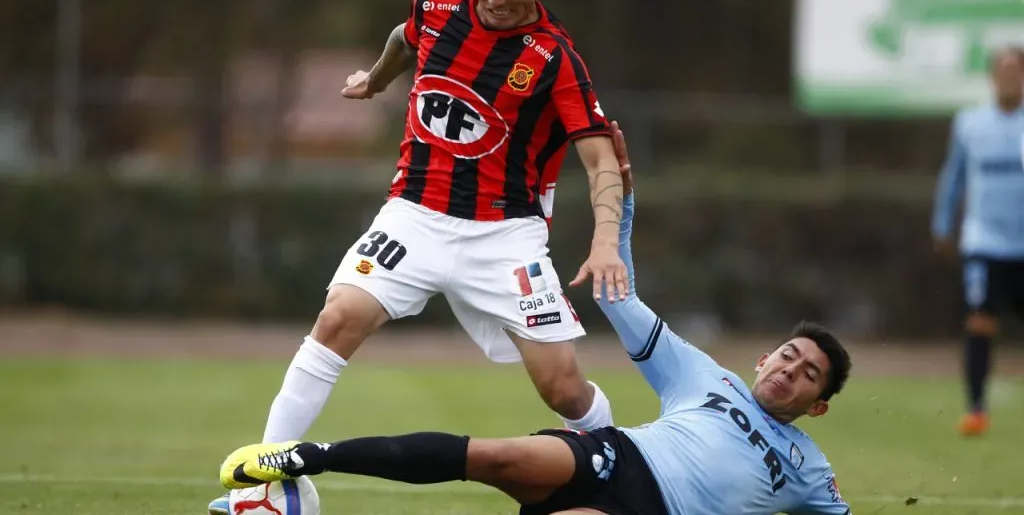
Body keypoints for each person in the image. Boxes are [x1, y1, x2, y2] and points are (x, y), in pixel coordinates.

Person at [219, 128, 855, 515]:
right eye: (787, 357)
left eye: (807, 376)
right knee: (495, 458)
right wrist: (621, 212)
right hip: (617, 457)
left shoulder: (809, 471)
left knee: (555, 404)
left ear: (818, 405)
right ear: (763, 359)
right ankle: (308, 458)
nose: (789, 373)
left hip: (646, 511)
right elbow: (618, 300)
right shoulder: (705, 379)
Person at [208, 0, 628, 512]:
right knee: (337, 318)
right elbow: (404, 39)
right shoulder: (437, 6)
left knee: (562, 388)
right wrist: (376, 81)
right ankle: (269, 489)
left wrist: (606, 244)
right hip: (414, 215)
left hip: (505, 235)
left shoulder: (554, 58)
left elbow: (601, 158)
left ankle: (622, 473)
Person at [932, 45, 1024, 437]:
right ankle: (976, 409)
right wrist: (942, 223)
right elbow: (953, 176)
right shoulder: (970, 123)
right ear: (991, 77)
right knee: (980, 320)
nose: (1008, 77)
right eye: (1002, 70)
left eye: (1015, 70)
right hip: (984, 241)